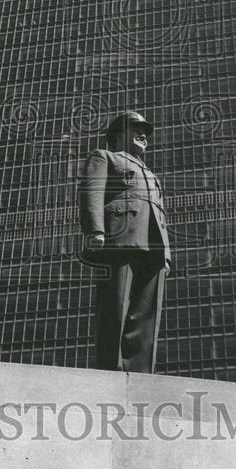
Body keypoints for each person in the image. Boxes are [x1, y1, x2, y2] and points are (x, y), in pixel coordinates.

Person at [78, 112, 171, 373]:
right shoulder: (104, 157)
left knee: (147, 313)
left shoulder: (150, 174)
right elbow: (92, 192)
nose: (144, 135)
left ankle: (140, 373)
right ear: (118, 135)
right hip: (120, 239)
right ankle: (110, 369)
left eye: (145, 131)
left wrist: (165, 253)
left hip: (153, 245)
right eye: (136, 129)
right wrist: (95, 230)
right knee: (115, 307)